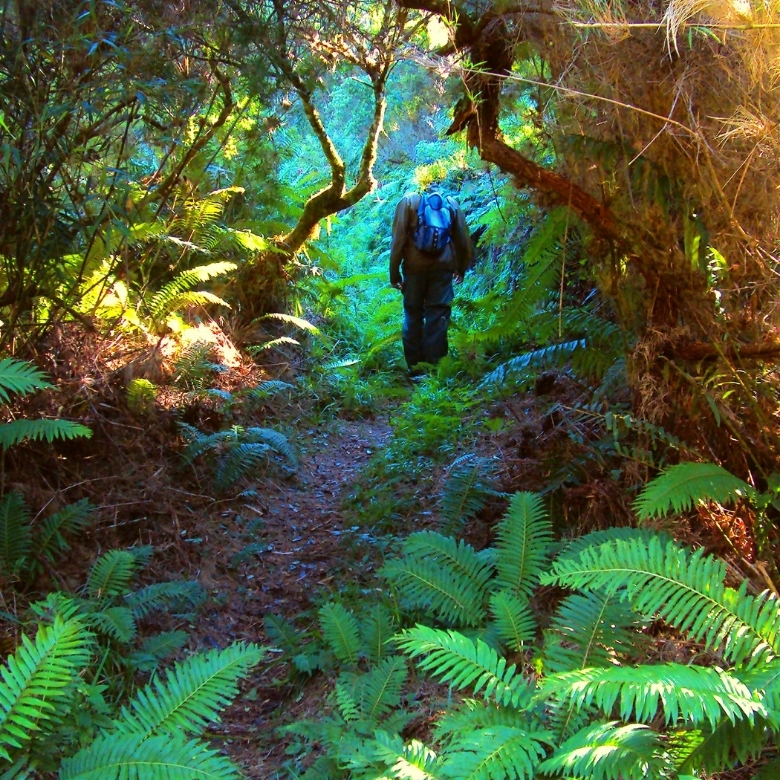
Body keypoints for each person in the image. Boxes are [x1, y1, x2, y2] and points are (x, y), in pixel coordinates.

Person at [389, 186, 474, 374]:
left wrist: (394, 274)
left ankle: (416, 368)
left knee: (413, 314)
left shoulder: (410, 202)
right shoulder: (451, 204)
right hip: (443, 269)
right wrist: (461, 268)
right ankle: (435, 369)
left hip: (414, 269)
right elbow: (463, 239)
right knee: (438, 315)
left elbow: (398, 240)